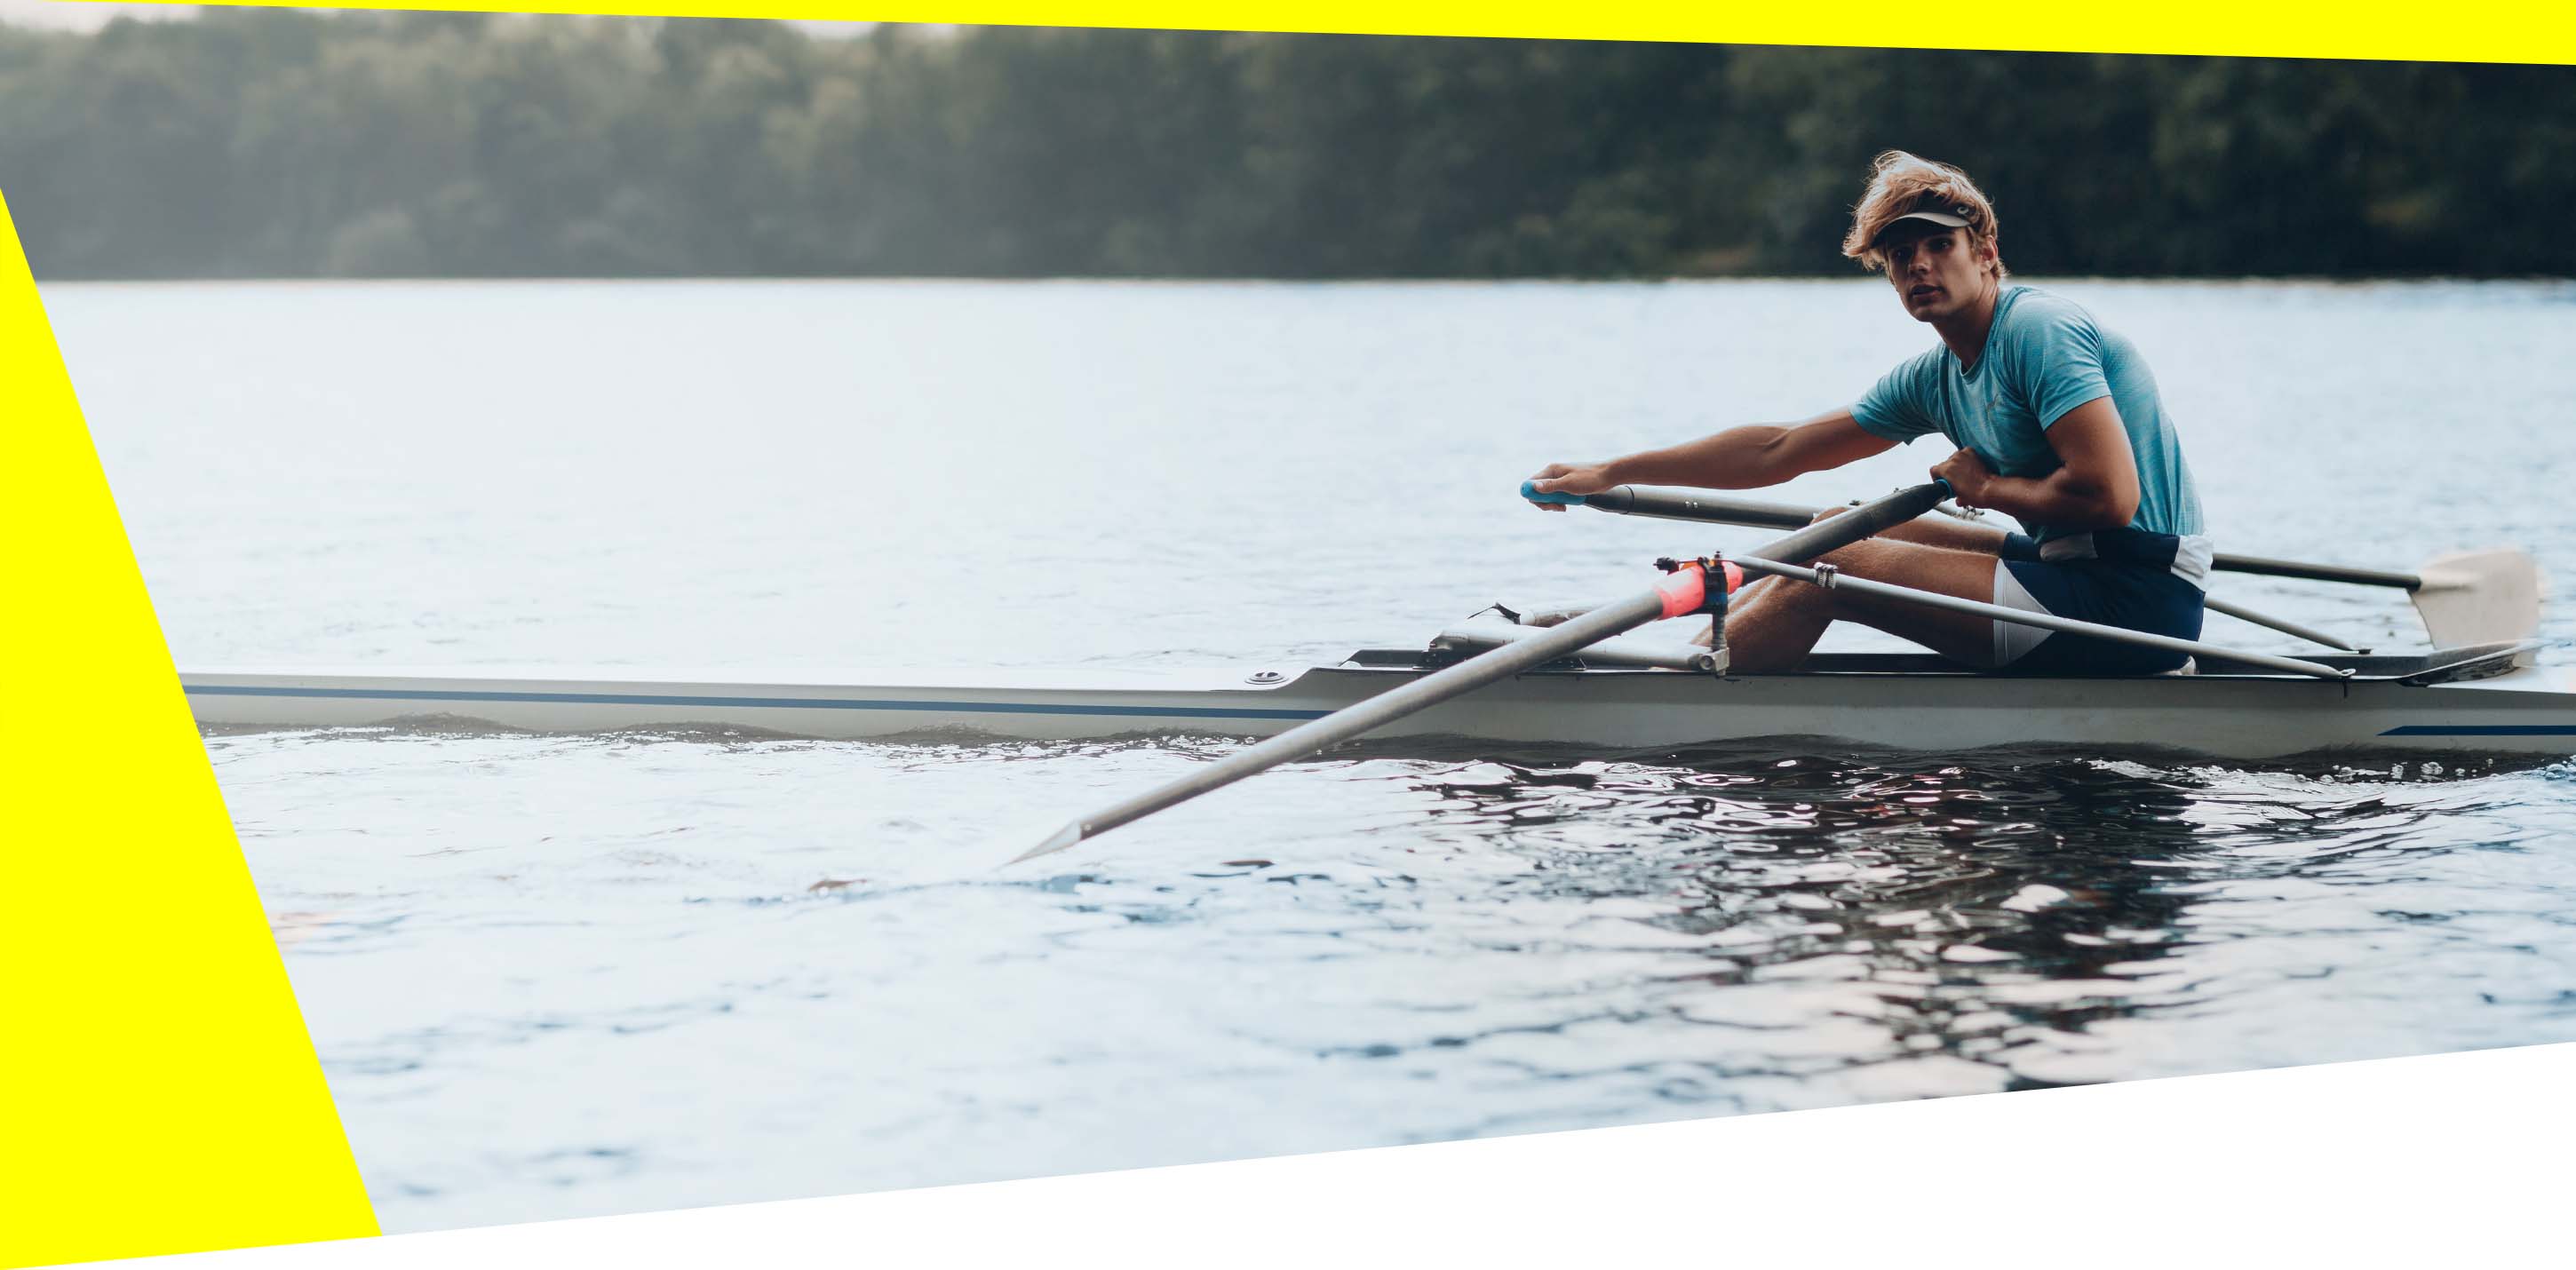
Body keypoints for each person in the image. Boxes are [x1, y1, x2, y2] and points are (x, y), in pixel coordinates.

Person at [1526, 150, 2209, 675]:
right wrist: (1611, 470)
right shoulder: (1936, 377)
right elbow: (1779, 449)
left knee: (1834, 568)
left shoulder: (2038, 331)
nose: (1920, 266)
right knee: (1831, 530)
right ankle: (1692, 657)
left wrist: (1988, 490)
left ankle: (1672, 693)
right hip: (2071, 570)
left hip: (2137, 601)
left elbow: (2111, 498)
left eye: (1940, 245)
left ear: (1987, 254)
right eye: (1901, 254)